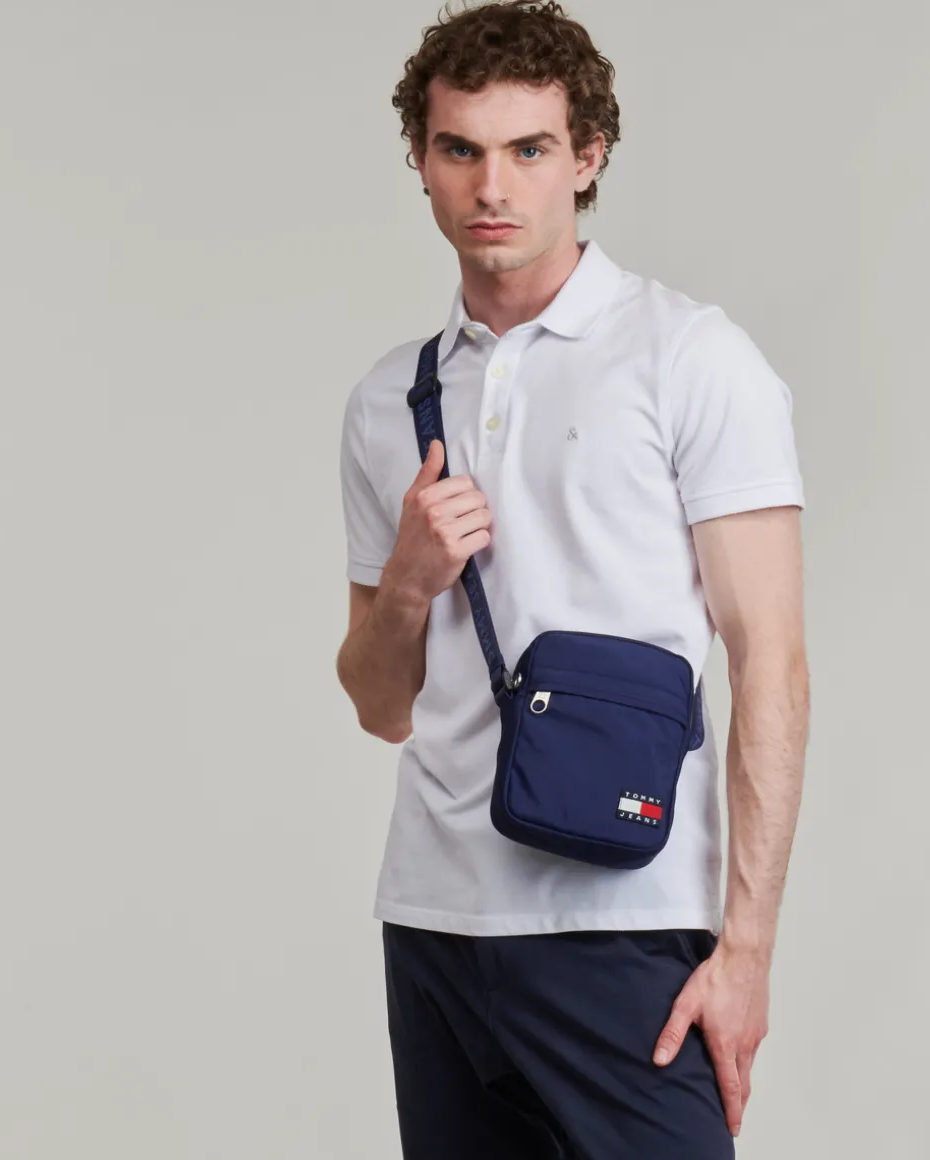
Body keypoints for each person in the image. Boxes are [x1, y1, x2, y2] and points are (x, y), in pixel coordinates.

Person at [335, 2, 809, 1156]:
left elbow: (771, 664)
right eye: (460, 149)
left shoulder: (687, 357)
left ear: (586, 156)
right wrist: (409, 581)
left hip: (626, 916)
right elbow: (379, 705)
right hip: (435, 919)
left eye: (529, 149)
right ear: (421, 162)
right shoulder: (389, 401)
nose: (492, 186)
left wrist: (744, 949)